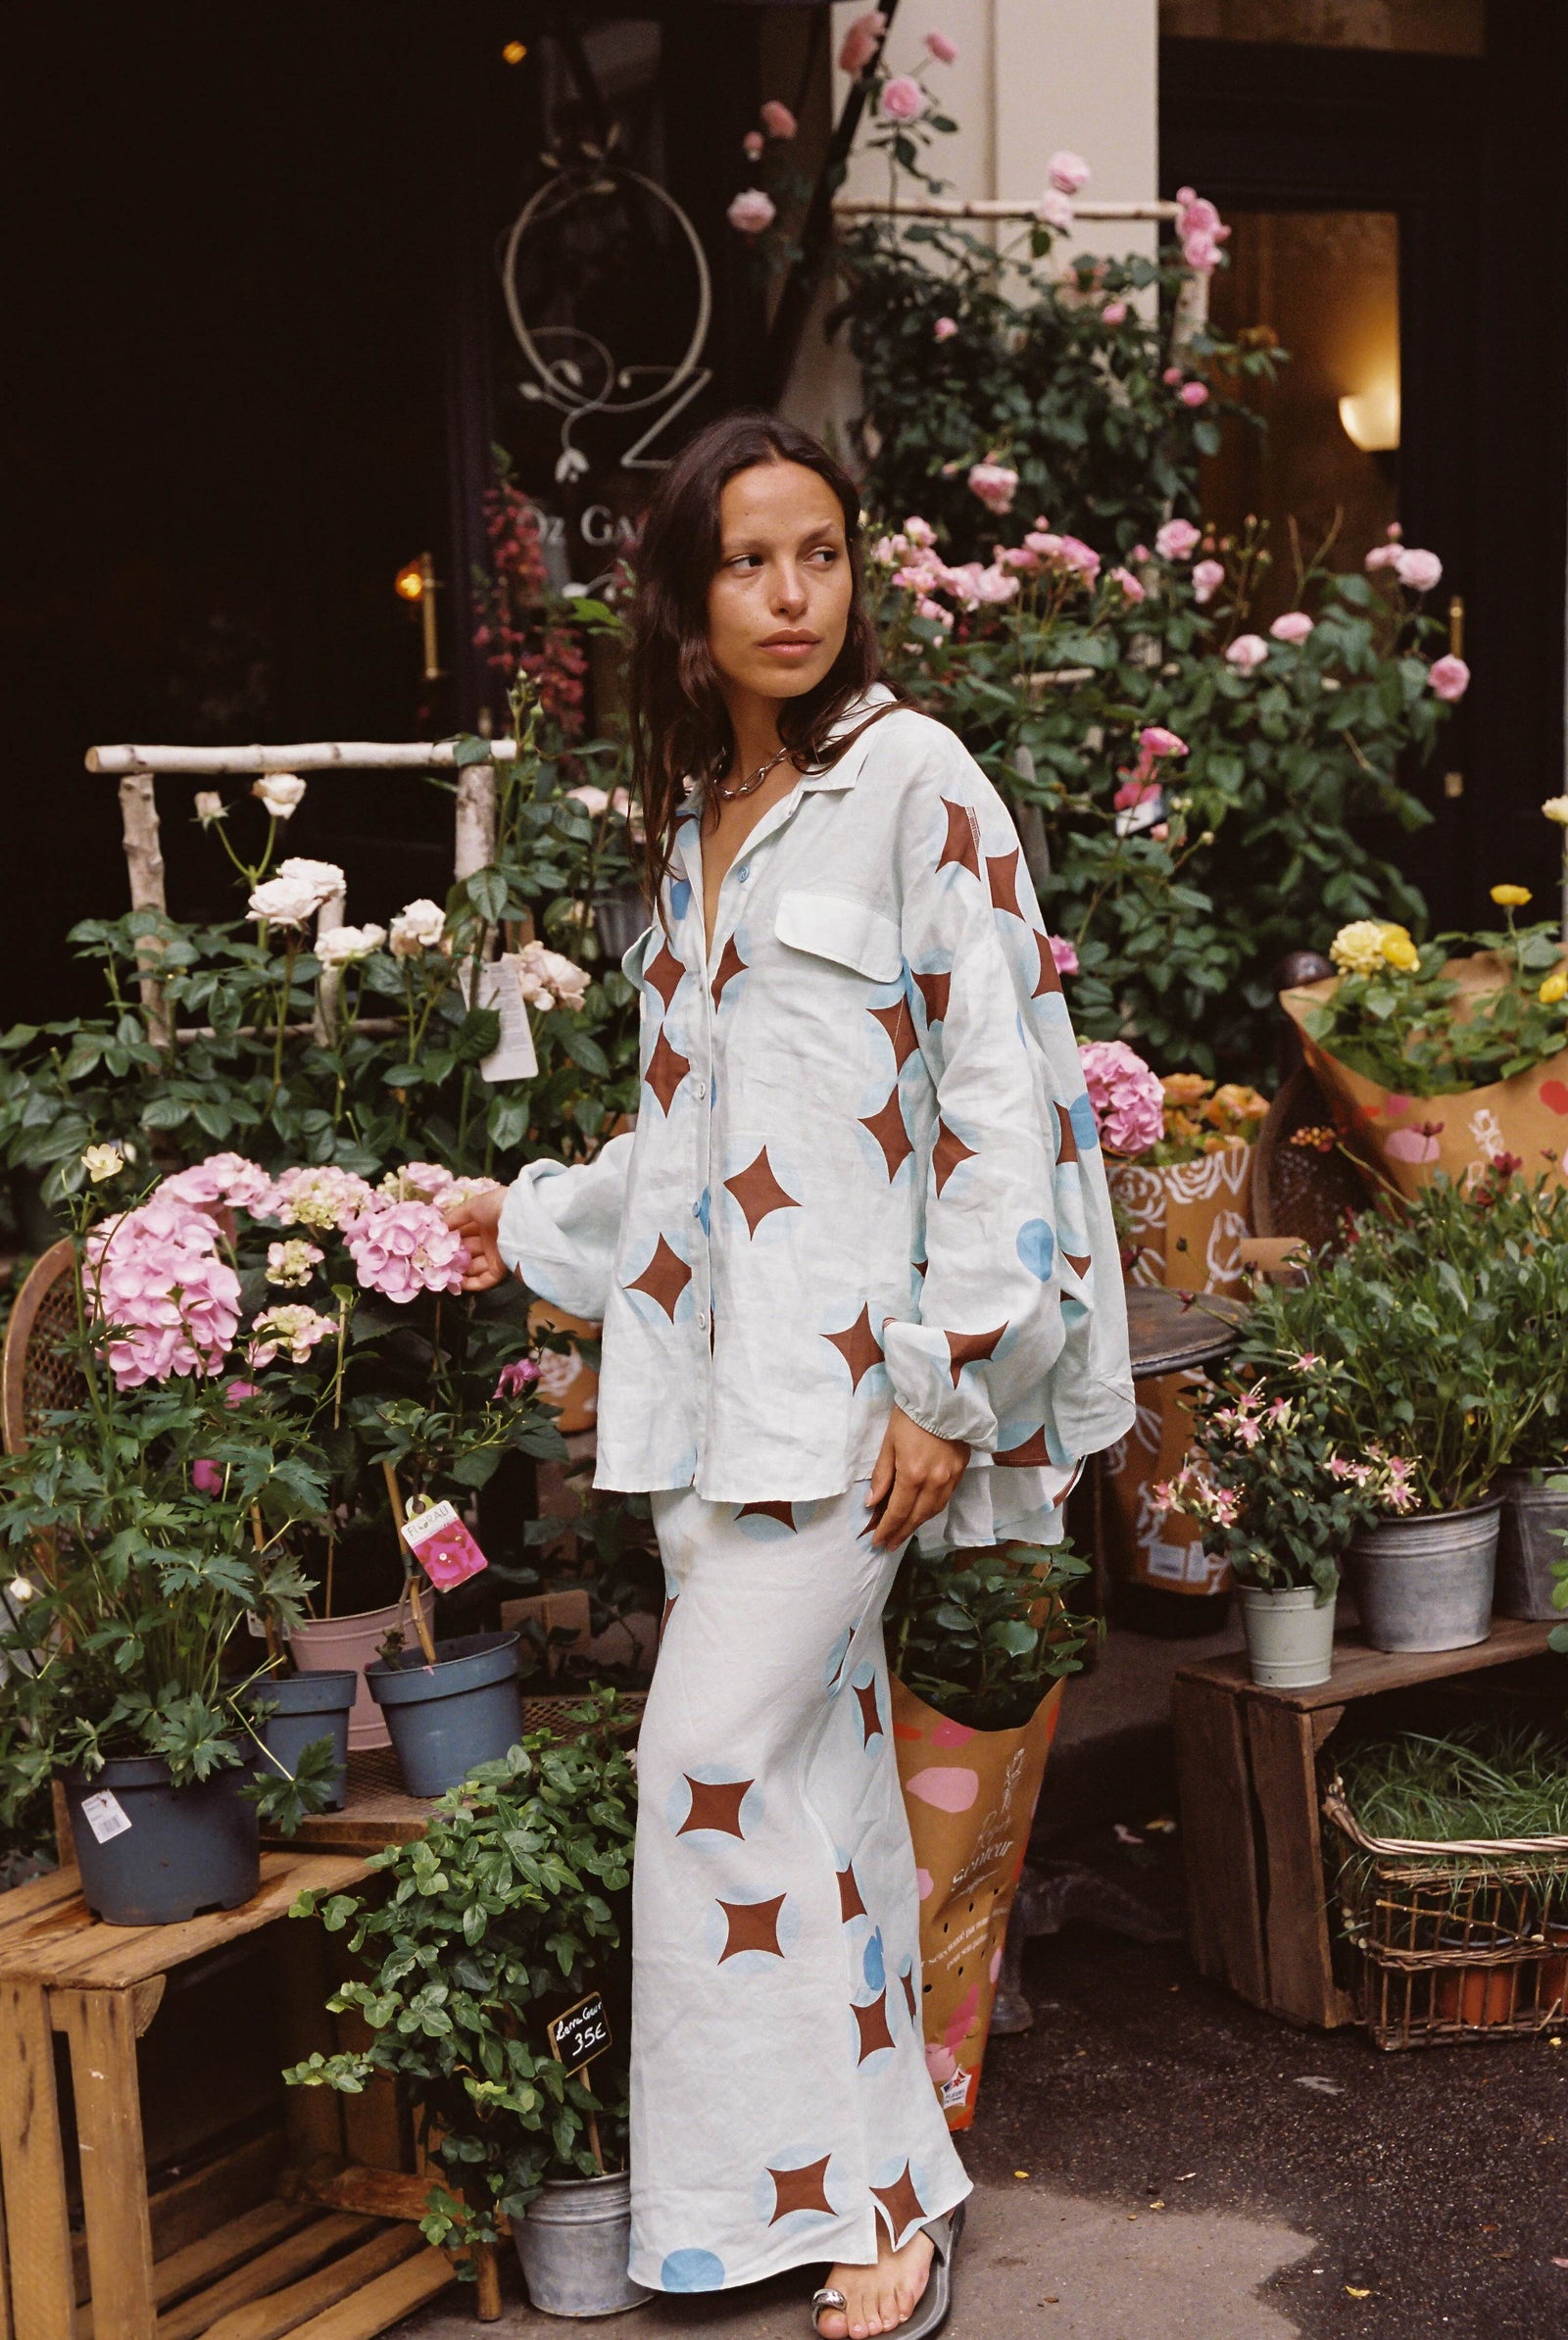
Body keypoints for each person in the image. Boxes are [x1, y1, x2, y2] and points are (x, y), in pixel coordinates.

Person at [448, 411, 1133, 2340]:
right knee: (809, 1777)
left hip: (856, 1404)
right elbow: (682, 1149)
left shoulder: (917, 782)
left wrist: (943, 1375)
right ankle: (895, 2193)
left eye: (816, 553)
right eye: (746, 562)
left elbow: (1004, 1096)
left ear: (854, 573)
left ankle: (854, 2212)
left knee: (705, 1756)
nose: (786, 594)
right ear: (683, 603)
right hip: (715, 1401)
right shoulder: (693, 835)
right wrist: (502, 1226)